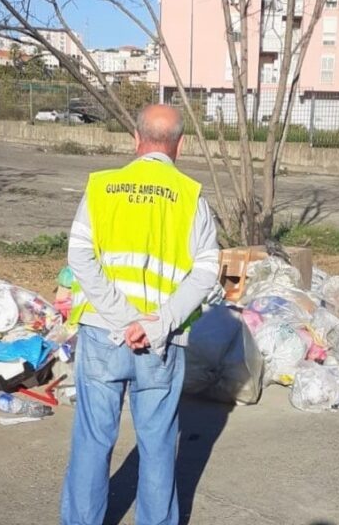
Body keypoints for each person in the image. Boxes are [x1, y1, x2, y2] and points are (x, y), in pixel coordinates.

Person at [61, 104, 220, 525]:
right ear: (179, 145)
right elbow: (206, 272)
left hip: (102, 335)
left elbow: (79, 256)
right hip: (160, 343)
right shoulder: (191, 197)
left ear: (136, 138)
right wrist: (155, 323)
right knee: (158, 443)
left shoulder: (101, 188)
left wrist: (119, 318)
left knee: (93, 440)